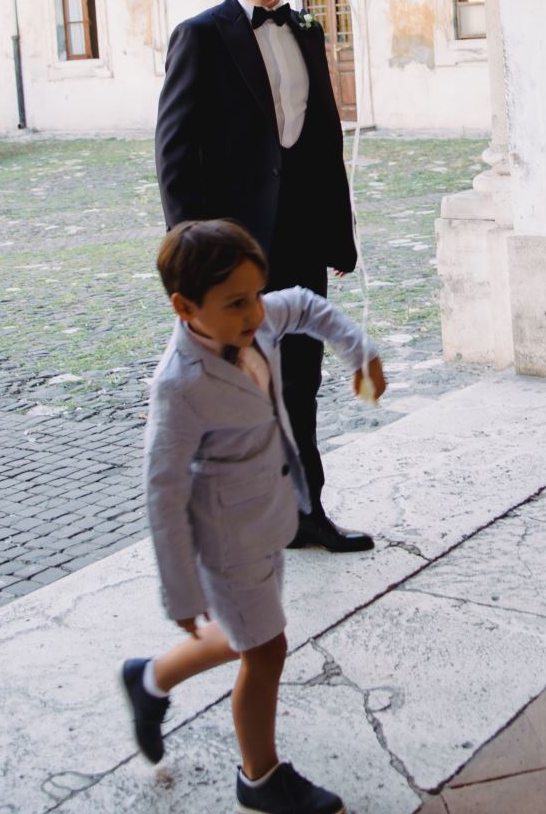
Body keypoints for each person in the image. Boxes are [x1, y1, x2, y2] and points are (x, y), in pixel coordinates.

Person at [119, 219, 386, 814]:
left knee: (247, 636)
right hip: (226, 539)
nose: (254, 314)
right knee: (266, 649)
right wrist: (179, 590)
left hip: (270, 516)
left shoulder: (253, 316)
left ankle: (149, 678)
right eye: (236, 302)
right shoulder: (178, 387)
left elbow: (307, 307)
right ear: (184, 307)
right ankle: (259, 779)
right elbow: (162, 493)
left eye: (255, 296)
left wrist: (360, 351)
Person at [155, 0, 372, 552]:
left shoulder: (306, 29)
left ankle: (307, 513)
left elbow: (322, 142)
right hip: (233, 259)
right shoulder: (200, 36)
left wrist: (340, 235)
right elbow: (173, 158)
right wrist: (199, 261)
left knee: (300, 382)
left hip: (302, 243)